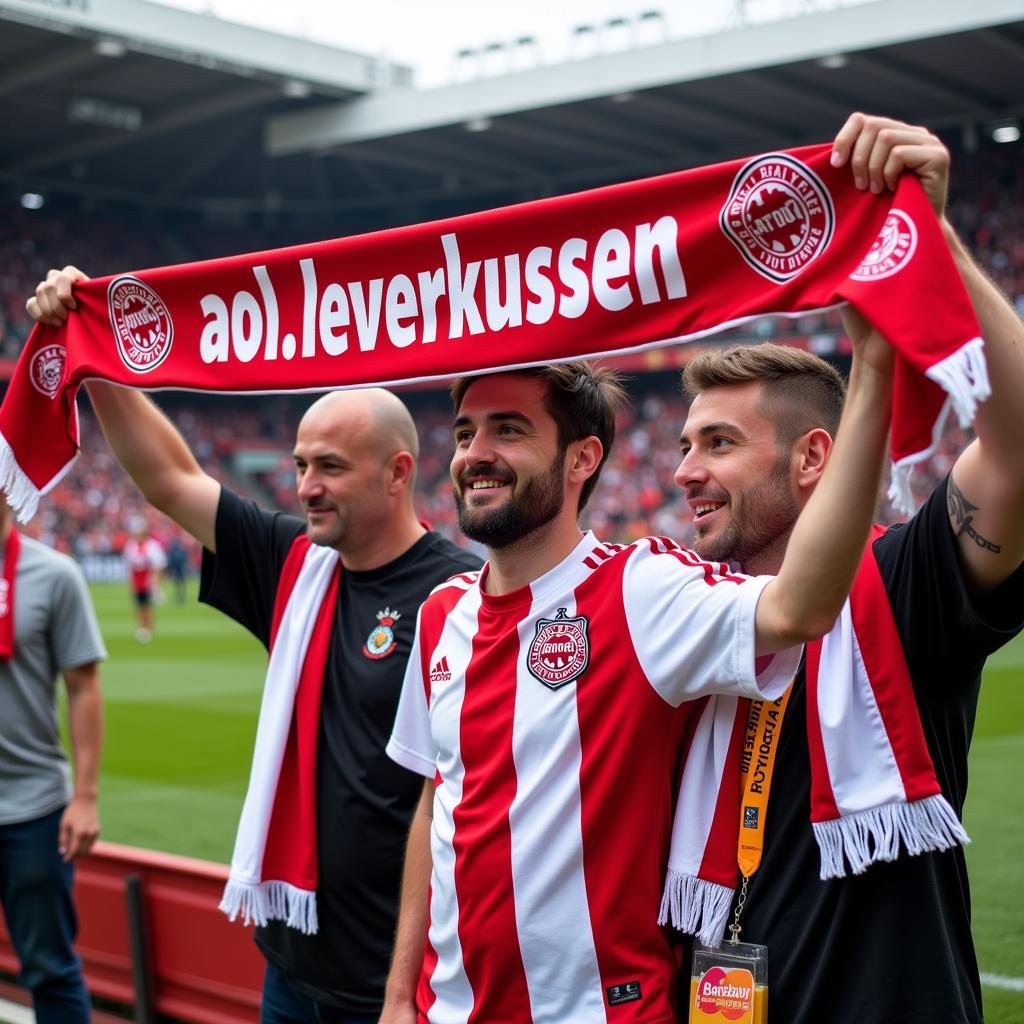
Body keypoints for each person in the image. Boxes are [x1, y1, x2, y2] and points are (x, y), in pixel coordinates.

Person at [378, 287, 896, 1024]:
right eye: (464, 433)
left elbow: (800, 607)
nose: (475, 455)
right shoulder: (440, 615)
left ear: (584, 457)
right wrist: (400, 996)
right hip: (447, 1012)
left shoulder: (642, 590)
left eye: (508, 430)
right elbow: (440, 800)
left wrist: (873, 368)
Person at [27, 275, 486, 1024]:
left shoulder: (463, 595)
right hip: (291, 962)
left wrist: (407, 991)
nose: (305, 485)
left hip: (400, 986)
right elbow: (172, 480)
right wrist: (93, 354)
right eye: (302, 464)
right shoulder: (294, 564)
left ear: (398, 473)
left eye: (330, 467)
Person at [672, 114, 1024, 1024]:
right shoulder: (680, 616)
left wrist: (931, 235)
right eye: (682, 444)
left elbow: (1020, 457)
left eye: (719, 443)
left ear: (814, 459)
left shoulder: (902, 587)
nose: (682, 472)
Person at [0, 497, 105, 1024]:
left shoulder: (54, 574)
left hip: (33, 809)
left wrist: (84, 796)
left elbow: (84, 688)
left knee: (49, 968)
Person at [123, 518, 166, 642]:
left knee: (146, 606)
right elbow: (129, 563)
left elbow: (158, 565)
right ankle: (142, 627)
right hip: (137, 580)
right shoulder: (131, 545)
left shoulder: (152, 546)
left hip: (147, 580)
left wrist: (154, 582)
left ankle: (147, 628)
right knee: (139, 605)